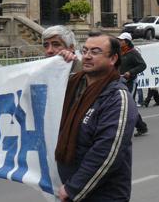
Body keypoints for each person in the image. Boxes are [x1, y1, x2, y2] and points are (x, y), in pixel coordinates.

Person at [56, 34, 137, 202]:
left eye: (95, 51)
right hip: (69, 188)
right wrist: (57, 64)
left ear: (113, 58)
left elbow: (107, 152)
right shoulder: (74, 85)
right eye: (84, 50)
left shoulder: (117, 97)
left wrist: (74, 188)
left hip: (102, 195)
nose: (87, 56)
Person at [117, 32, 148, 136]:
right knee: (123, 106)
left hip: (130, 82)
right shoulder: (119, 52)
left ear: (127, 42)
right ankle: (141, 126)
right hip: (119, 82)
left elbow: (142, 65)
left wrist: (130, 72)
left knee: (128, 105)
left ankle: (139, 127)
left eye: (121, 40)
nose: (119, 42)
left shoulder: (133, 53)